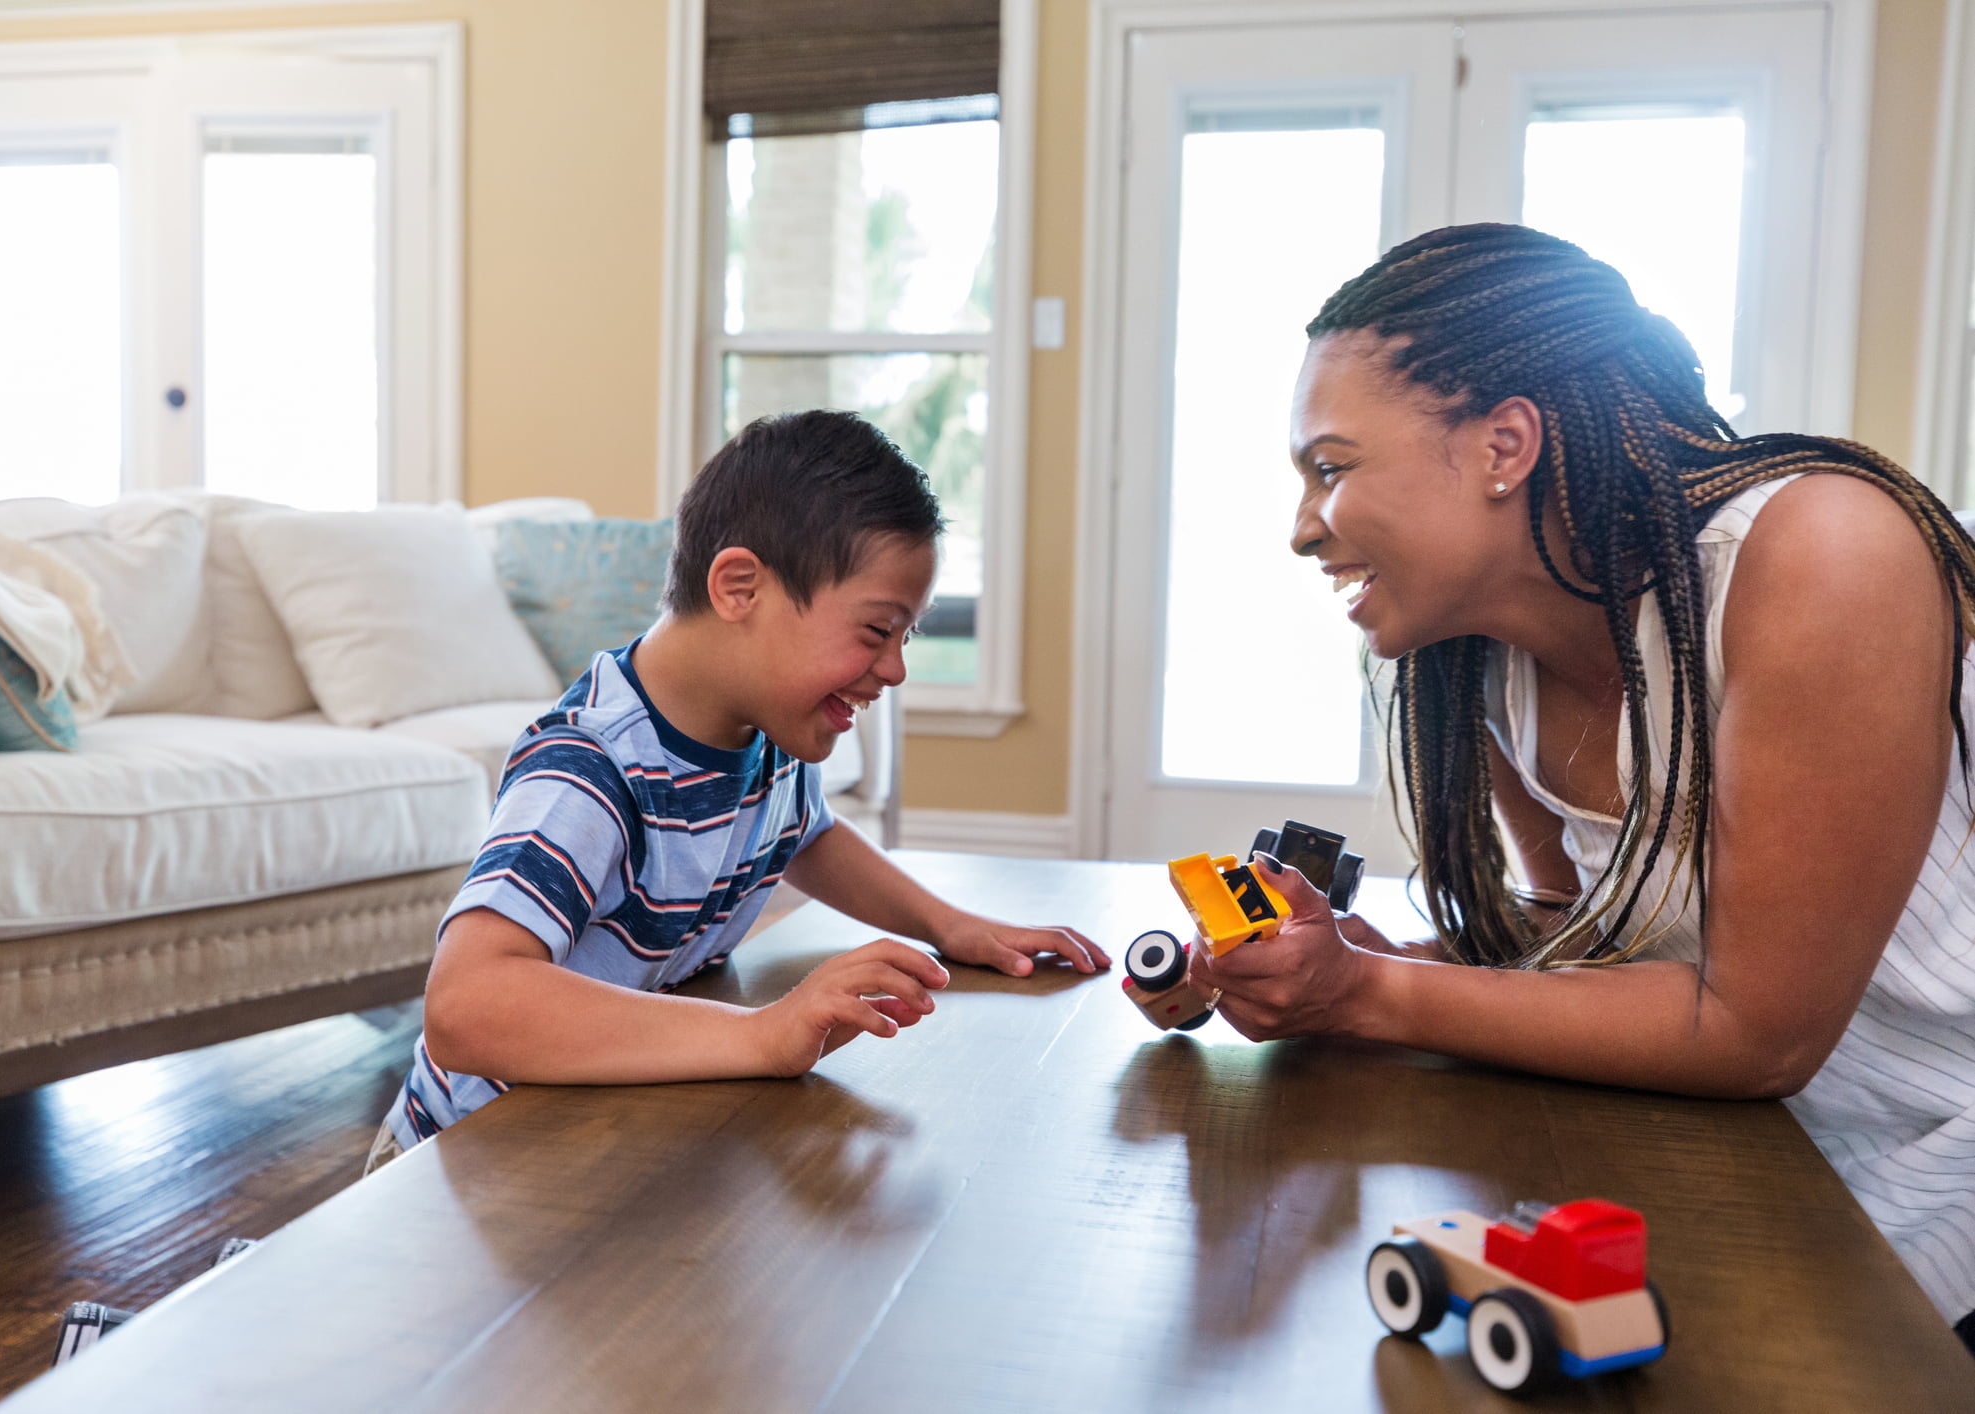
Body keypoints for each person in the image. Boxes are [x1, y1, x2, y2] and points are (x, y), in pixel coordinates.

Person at [1190, 223, 1975, 1351]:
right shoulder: (1488, 653)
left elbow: (1756, 1032)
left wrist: (1363, 996)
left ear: (1506, 442)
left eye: (1332, 467)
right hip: (1758, 1165)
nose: (1304, 528)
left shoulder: (1822, 553)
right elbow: (1577, 953)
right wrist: (1351, 965)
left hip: (1936, 1188)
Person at [370, 411, 1109, 1169]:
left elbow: (807, 835)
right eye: (875, 630)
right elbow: (465, 1008)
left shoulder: (762, 738)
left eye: (906, 637)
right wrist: (764, 1034)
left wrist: (950, 926)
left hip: (595, 1131)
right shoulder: (590, 772)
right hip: (462, 1167)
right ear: (740, 587)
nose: (894, 670)